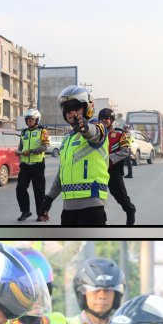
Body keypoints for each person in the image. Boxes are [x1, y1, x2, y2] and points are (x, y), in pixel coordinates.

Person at [39, 86, 109, 226]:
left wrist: (84, 127)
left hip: (92, 207)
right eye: (67, 109)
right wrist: (48, 199)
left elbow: (95, 133)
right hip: (68, 209)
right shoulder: (67, 139)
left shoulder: (97, 128)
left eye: (76, 108)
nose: (72, 113)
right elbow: (61, 173)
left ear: (87, 107)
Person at [99, 108, 136, 225]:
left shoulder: (120, 134)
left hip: (114, 171)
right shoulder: (96, 135)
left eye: (107, 118)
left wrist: (110, 159)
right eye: (102, 119)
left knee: (120, 196)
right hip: (98, 171)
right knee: (97, 199)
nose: (104, 121)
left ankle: (130, 210)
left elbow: (125, 151)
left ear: (112, 120)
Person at [15, 108, 50, 221]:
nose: (30, 122)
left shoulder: (42, 131)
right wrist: (18, 152)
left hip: (37, 165)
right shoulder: (24, 132)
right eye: (28, 120)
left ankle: (40, 214)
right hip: (25, 165)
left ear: (37, 120)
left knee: (39, 191)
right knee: (20, 188)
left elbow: (44, 146)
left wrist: (30, 151)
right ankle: (25, 211)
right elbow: (21, 146)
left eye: (32, 120)